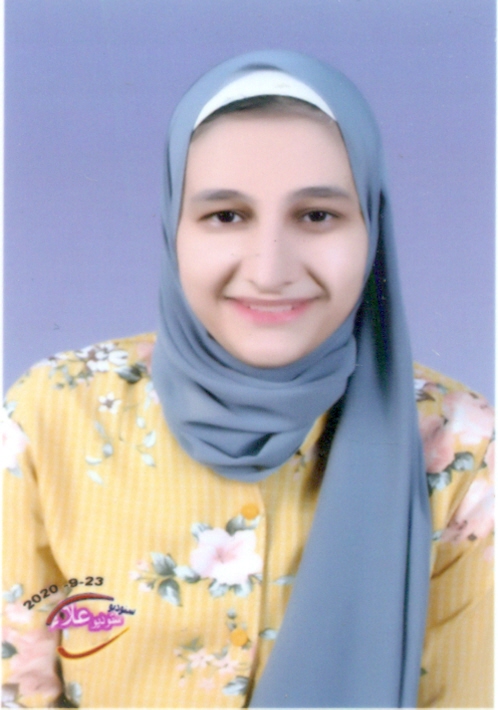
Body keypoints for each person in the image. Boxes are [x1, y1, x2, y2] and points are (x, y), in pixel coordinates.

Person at [2, 50, 493, 709]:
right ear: (173, 228)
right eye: (226, 216)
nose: (269, 270)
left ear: (372, 228)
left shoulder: (460, 450)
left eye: (316, 215)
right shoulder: (51, 416)